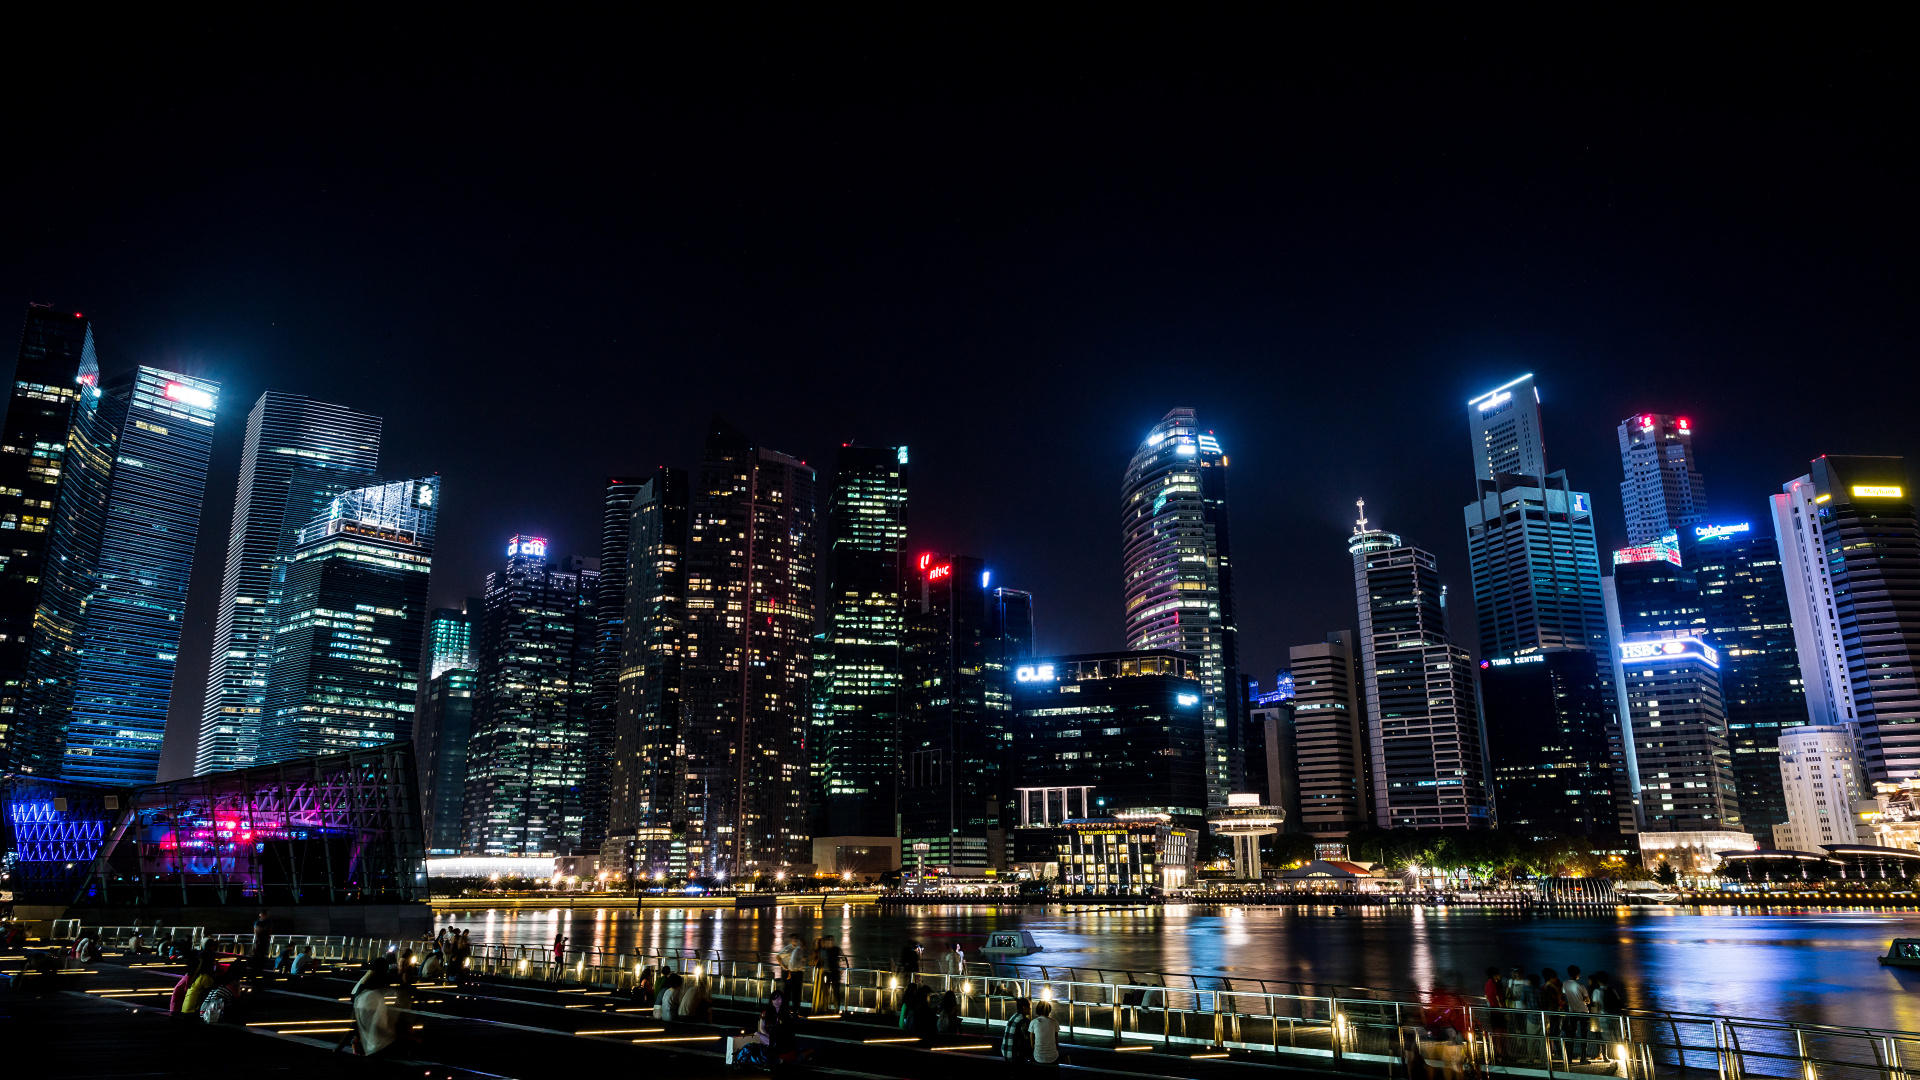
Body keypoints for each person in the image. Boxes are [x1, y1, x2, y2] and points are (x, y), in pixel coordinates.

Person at [777, 934, 807, 1012]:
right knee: (787, 992)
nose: (795, 941)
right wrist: (784, 967)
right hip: (788, 973)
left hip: (797, 972)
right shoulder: (788, 948)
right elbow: (778, 956)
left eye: (796, 939)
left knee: (796, 992)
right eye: (793, 939)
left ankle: (795, 1009)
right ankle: (785, 1009)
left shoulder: (799, 949)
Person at [1001, 996, 1034, 1064]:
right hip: (1014, 1054)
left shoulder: (1013, 1017)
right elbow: (1027, 1039)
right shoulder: (1024, 1021)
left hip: (1004, 1052)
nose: (1030, 1009)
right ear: (1024, 1008)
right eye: (1029, 1007)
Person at [1030, 999, 1061, 1067]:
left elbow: (1032, 1045)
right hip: (1053, 1057)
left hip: (1038, 1057)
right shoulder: (1054, 1021)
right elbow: (1056, 1043)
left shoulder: (1033, 1022)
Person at [819, 937, 844, 1011]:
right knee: (826, 990)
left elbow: (842, 958)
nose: (831, 942)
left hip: (834, 972)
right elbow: (821, 960)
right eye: (829, 941)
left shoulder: (836, 949)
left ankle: (836, 1007)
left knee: (835, 990)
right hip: (827, 972)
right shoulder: (824, 950)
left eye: (832, 940)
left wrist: (842, 969)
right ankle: (826, 1007)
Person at [250, 909, 272, 975]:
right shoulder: (265, 922)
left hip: (262, 940)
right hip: (261, 940)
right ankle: (258, 968)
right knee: (260, 953)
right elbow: (257, 930)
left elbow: (256, 930)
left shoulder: (259, 922)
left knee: (261, 953)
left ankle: (258, 968)